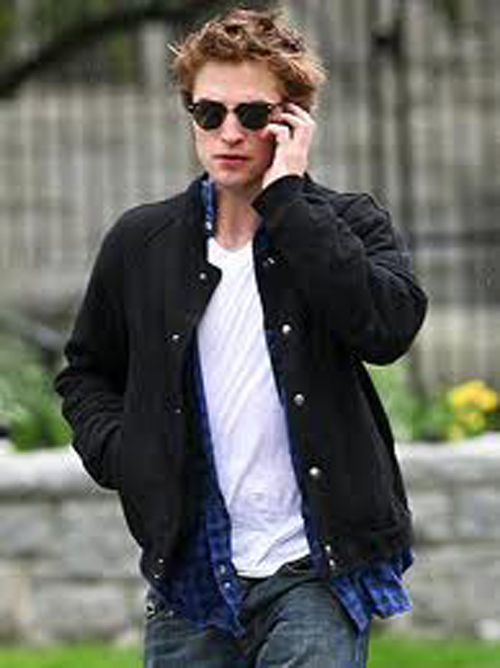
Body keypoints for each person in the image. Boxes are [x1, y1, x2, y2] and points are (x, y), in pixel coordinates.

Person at [55, 7, 427, 667]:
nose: (228, 132)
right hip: (192, 575)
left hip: (313, 569)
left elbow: (387, 328)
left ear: (292, 119)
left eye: (252, 115)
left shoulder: (347, 224)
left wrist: (288, 201)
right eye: (209, 113)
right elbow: (87, 373)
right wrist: (127, 453)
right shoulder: (142, 243)